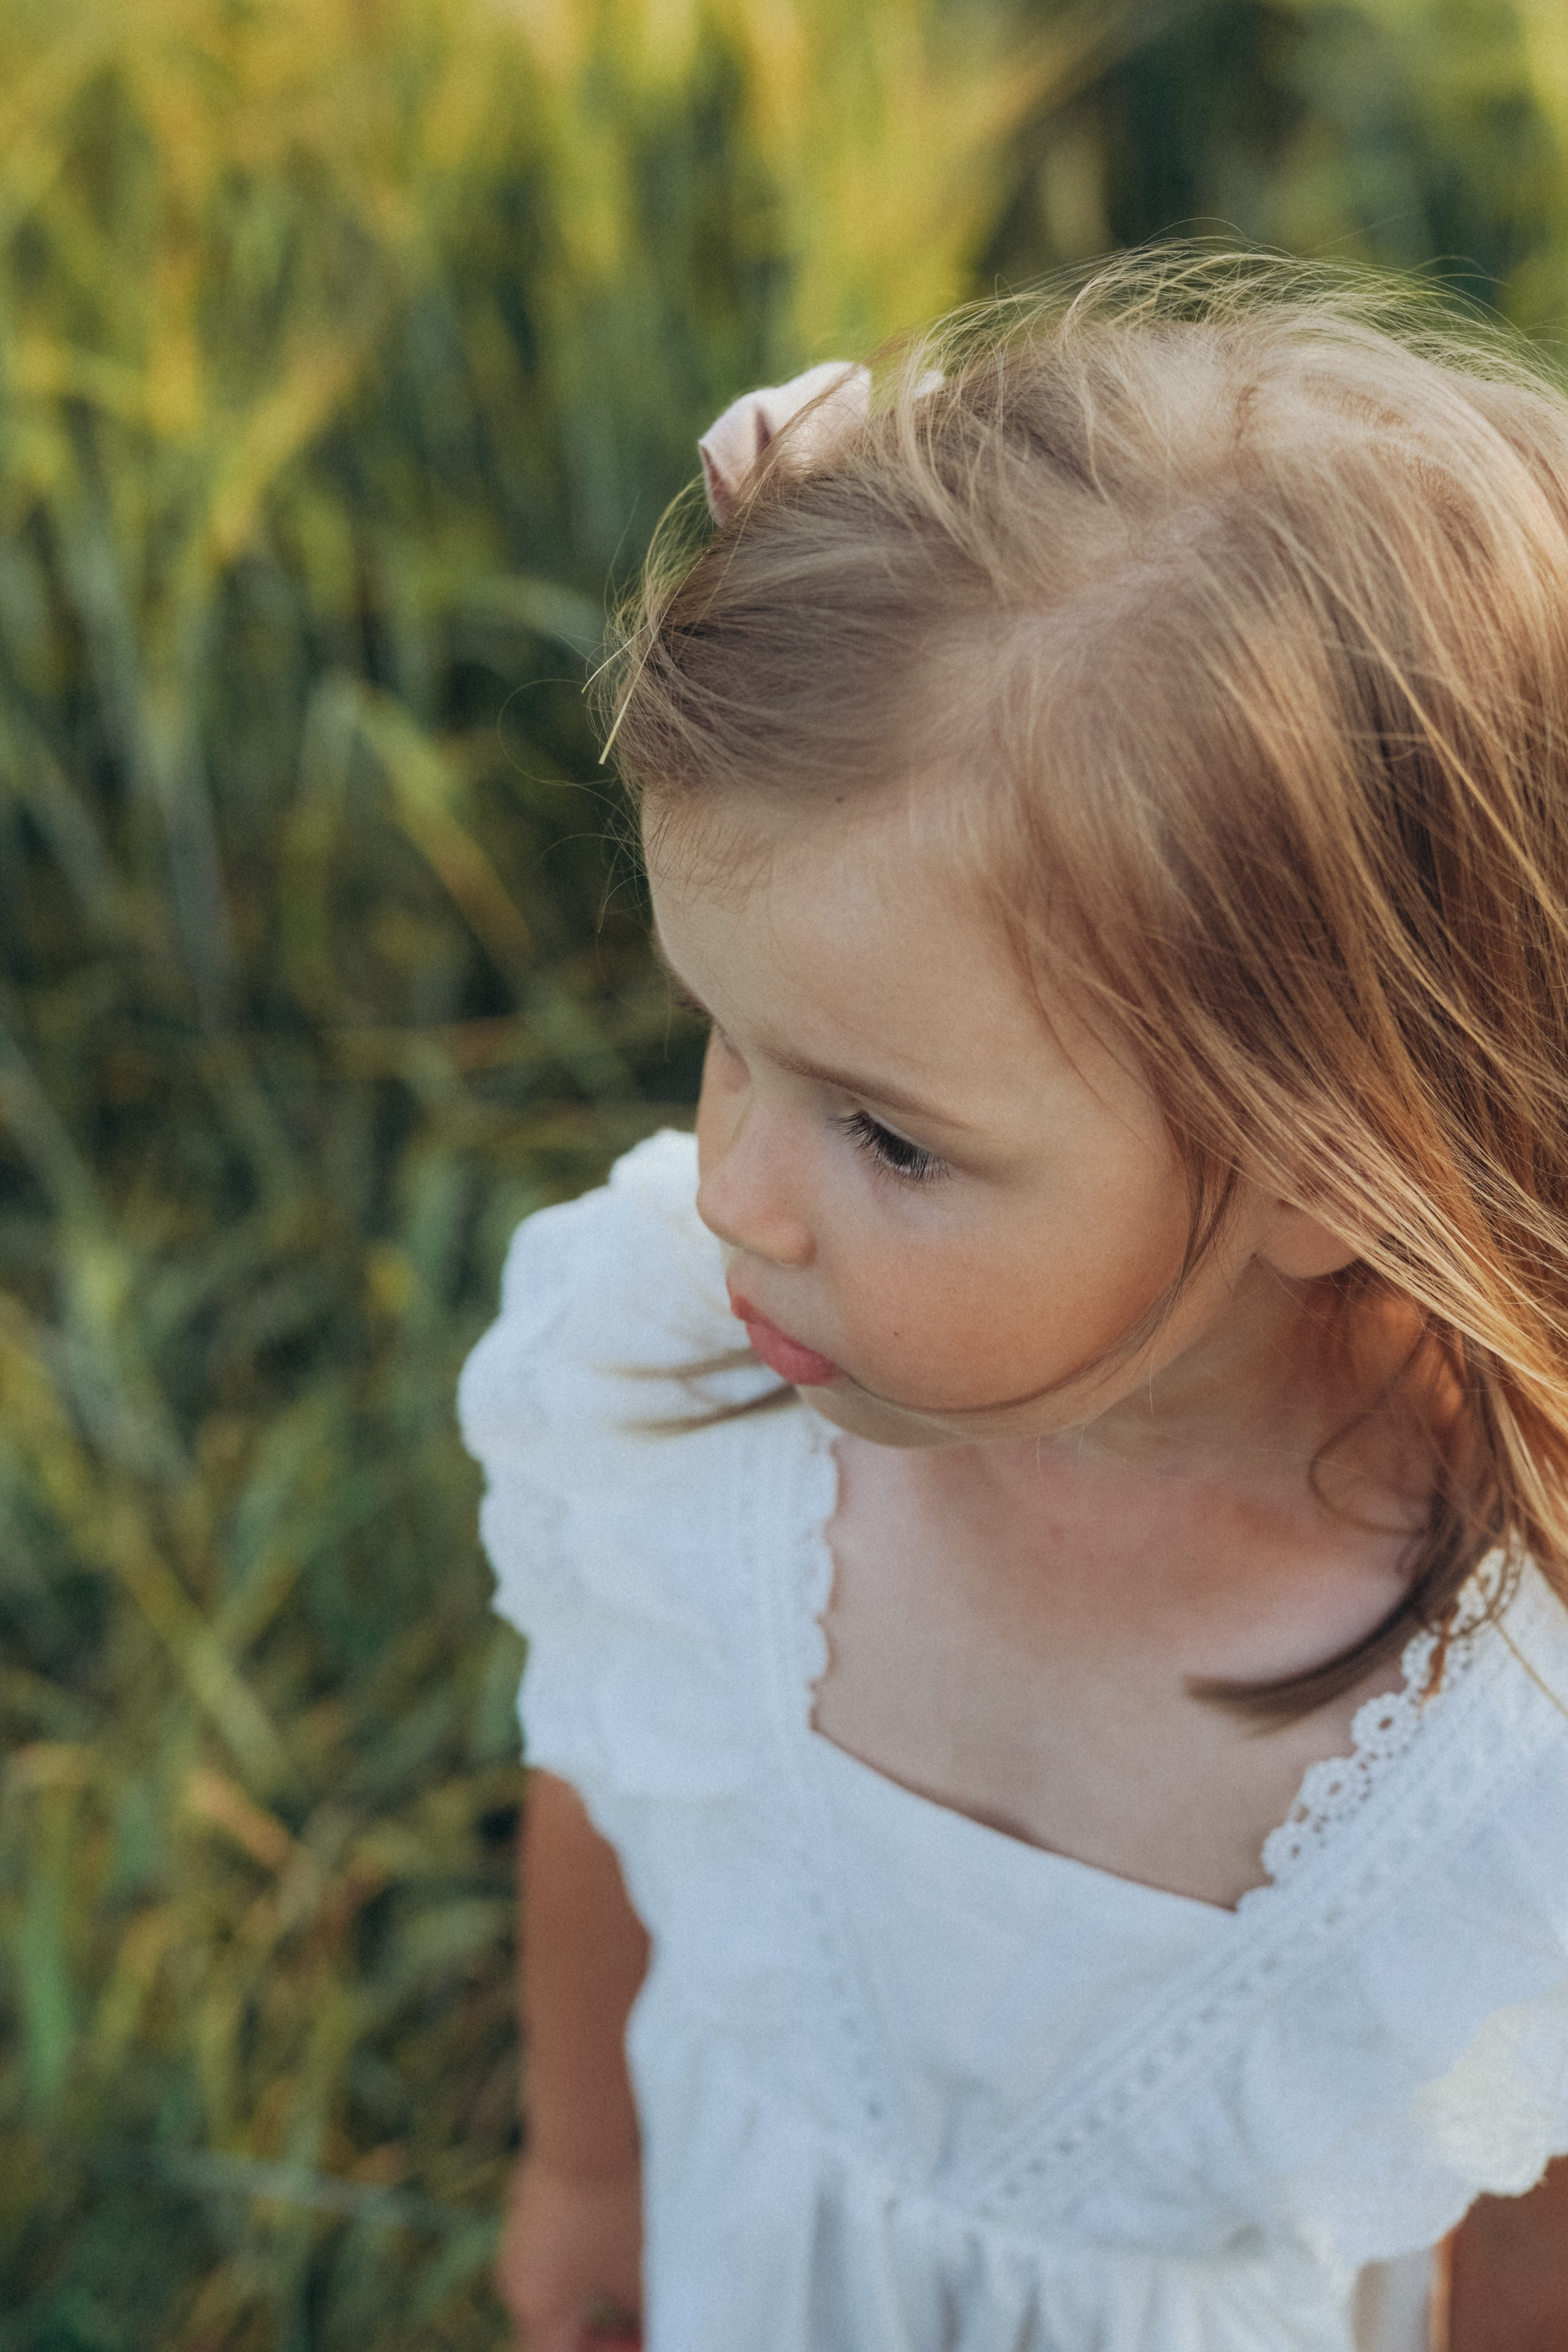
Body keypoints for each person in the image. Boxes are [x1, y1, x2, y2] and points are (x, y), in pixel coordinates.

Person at [458, 252, 1568, 2352]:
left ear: (1338, 1159)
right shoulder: (676, 1376)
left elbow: (1522, 2243)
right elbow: (610, 1788)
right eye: (723, 1040)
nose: (730, 1190)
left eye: (890, 1137)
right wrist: (586, 2173)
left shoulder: (1509, 1752)